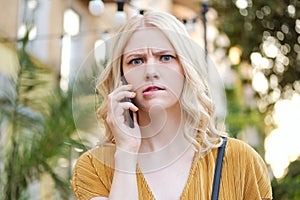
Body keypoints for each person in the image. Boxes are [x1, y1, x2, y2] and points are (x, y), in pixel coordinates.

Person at [72, 11, 272, 200]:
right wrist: (126, 153)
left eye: (166, 57)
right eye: (136, 60)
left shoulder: (241, 161)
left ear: (186, 68)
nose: (150, 71)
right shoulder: (94, 167)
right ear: (121, 77)